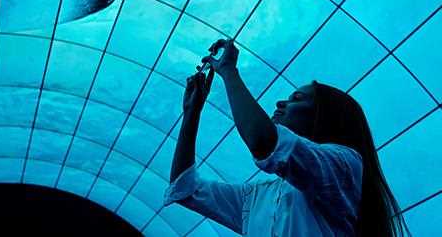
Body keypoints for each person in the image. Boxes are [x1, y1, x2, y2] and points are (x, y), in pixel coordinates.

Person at [163, 38, 411, 236]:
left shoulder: (344, 166)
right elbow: (185, 189)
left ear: (323, 117)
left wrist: (228, 71)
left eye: (297, 99)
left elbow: (263, 141)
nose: (281, 102)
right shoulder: (256, 197)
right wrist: (191, 113)